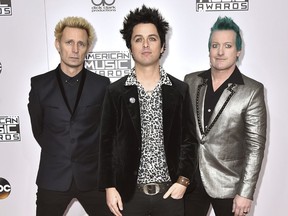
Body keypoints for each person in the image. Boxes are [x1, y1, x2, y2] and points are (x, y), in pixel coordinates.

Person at [98, 5, 198, 216]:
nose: (145, 45)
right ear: (130, 47)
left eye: (152, 38)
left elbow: (189, 140)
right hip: (128, 196)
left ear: (162, 46)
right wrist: (109, 186)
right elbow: (106, 144)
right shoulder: (115, 91)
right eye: (138, 39)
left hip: (170, 193)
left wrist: (182, 181)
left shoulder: (179, 90)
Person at [28, 16, 111, 216]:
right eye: (69, 42)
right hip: (53, 178)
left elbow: (106, 131)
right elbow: (38, 130)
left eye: (81, 44)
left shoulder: (102, 85)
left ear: (88, 47)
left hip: (93, 178)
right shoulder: (40, 85)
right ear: (58, 44)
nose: (75, 49)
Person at [184, 16, 267, 216]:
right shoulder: (191, 81)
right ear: (209, 50)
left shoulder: (252, 90)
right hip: (192, 182)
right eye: (215, 45)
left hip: (230, 185)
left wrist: (245, 193)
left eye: (227, 46)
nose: (220, 52)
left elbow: (255, 147)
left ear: (238, 51)